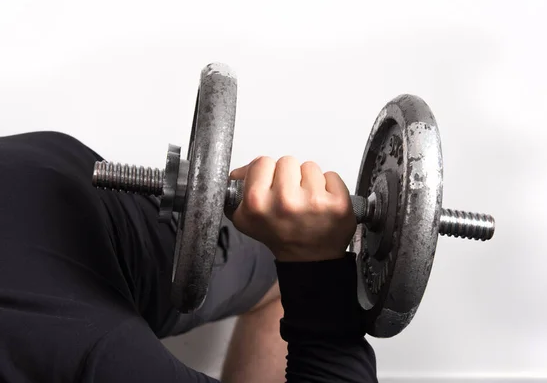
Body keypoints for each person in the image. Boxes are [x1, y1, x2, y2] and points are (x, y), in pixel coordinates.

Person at [0, 131, 378, 382]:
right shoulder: (89, 355)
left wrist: (308, 259)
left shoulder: (83, 351)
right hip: (37, 180)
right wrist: (314, 264)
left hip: (50, 198)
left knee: (280, 272)